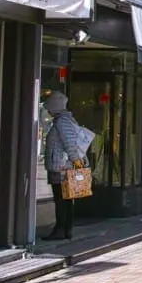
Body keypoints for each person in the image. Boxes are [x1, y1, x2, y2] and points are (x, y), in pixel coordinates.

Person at [43, 92, 88, 241]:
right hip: (63, 166)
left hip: (61, 167)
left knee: (61, 199)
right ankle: (66, 229)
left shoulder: (62, 122)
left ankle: (61, 229)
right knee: (66, 199)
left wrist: (76, 161)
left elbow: (70, 143)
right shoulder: (64, 120)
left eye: (49, 107)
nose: (48, 110)